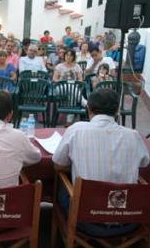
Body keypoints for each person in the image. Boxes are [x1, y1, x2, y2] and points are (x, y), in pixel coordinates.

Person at [53, 88, 149, 237]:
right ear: (117, 111)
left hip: (85, 220)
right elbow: (144, 163)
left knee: (60, 184)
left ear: (89, 108)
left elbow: (58, 165)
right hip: (129, 219)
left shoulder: (76, 130)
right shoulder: (134, 136)